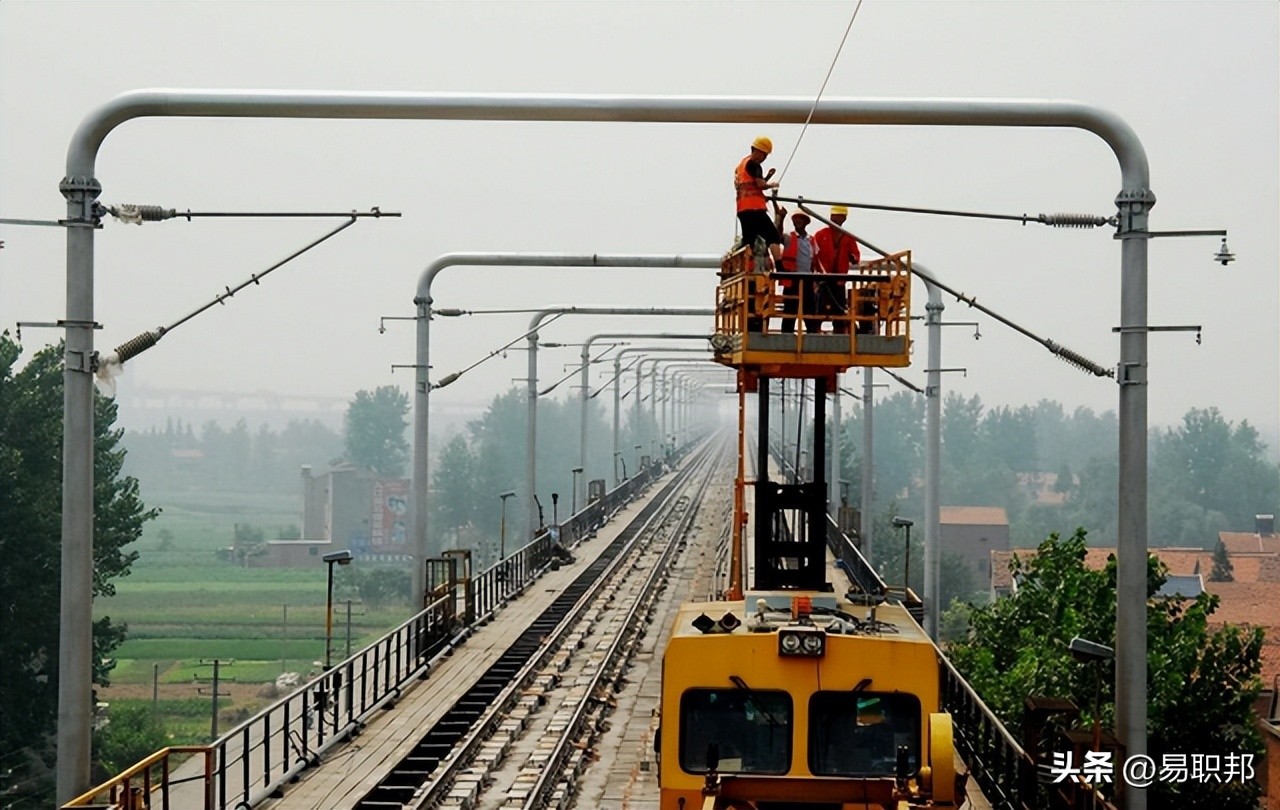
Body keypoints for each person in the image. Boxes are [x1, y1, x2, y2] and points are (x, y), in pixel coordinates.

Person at [734, 136, 783, 268]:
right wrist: (772, 184)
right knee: (773, 236)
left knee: (749, 241)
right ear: (758, 151)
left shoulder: (742, 165)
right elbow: (760, 185)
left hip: (742, 209)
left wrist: (766, 178)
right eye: (765, 154)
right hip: (754, 209)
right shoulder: (754, 164)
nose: (764, 158)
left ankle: (744, 267)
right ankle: (780, 265)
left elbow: (750, 185)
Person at [813, 205, 862, 334]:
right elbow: (813, 254)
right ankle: (816, 330)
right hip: (823, 279)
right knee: (819, 308)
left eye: (838, 216)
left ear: (843, 218)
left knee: (839, 310)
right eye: (833, 216)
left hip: (840, 281)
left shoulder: (848, 238)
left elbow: (856, 257)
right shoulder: (821, 235)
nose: (835, 219)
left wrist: (852, 257)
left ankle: (839, 332)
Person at [777, 209, 824, 334]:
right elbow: (777, 235)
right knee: (790, 310)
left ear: (805, 222)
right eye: (795, 219)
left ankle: (812, 335)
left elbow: (816, 259)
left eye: (800, 219)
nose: (797, 221)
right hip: (792, 280)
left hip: (808, 280)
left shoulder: (812, 240)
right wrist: (780, 218)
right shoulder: (789, 237)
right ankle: (786, 336)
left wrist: (820, 277)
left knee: (809, 310)